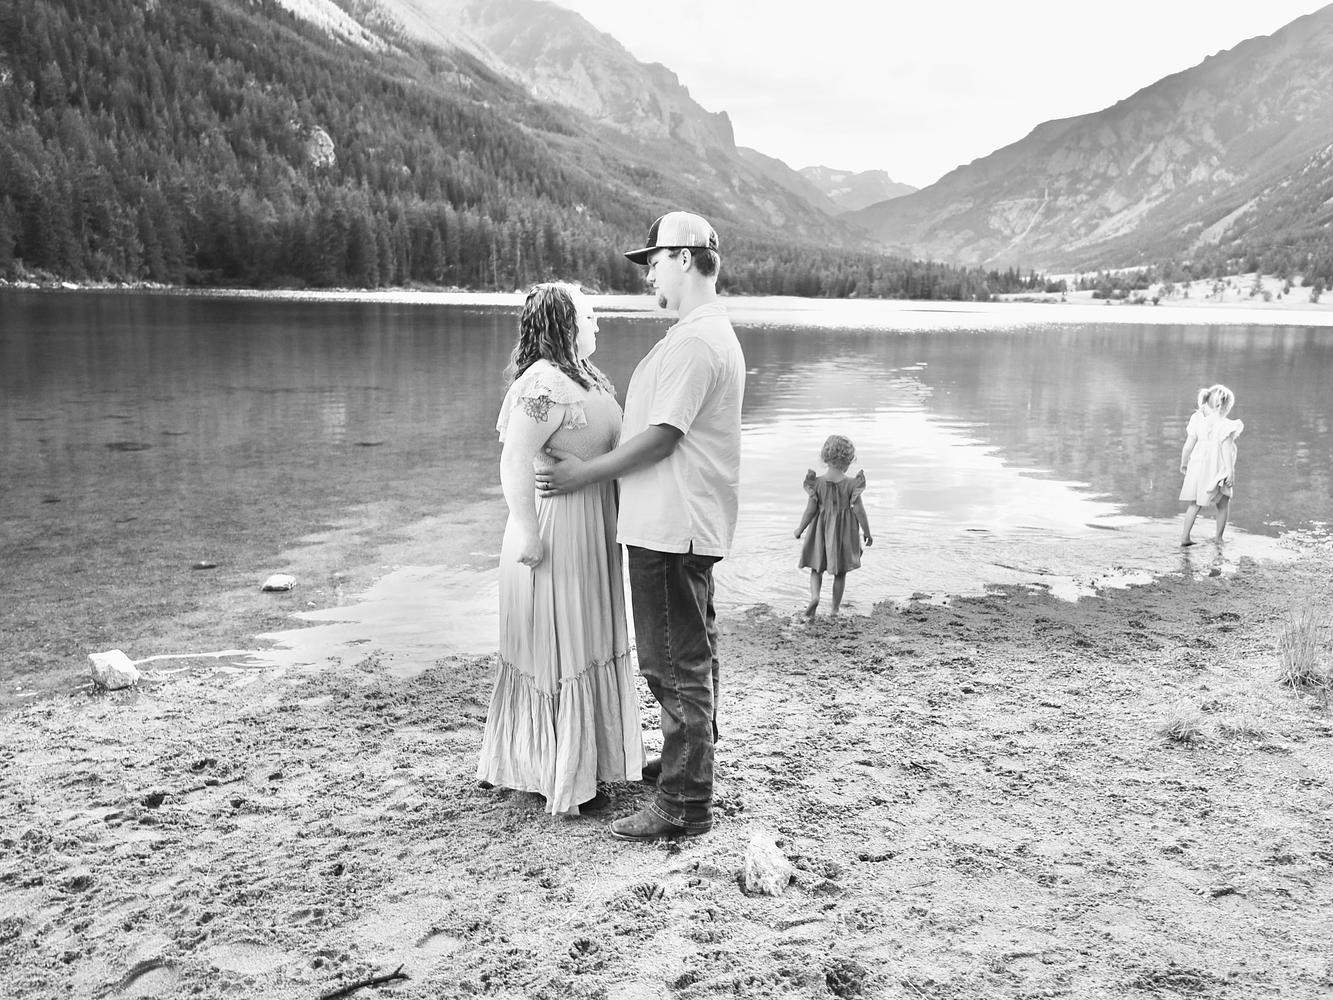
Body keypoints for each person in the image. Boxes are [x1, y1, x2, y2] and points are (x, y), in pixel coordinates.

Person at [537, 212, 745, 843]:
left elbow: (661, 437)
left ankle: (684, 802)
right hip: (680, 522)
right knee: (692, 653)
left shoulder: (695, 342)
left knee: (672, 663)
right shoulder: (699, 333)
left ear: (684, 259)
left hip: (670, 526)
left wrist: (583, 474)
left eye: (653, 261)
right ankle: (687, 763)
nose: (648, 273)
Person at [476, 282, 645, 816]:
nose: (597, 323)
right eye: (589, 315)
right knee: (561, 650)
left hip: (589, 529)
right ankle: (554, 770)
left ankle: (587, 763)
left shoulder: (585, 376)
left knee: (586, 640)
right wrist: (528, 531)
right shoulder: (544, 382)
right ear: (565, 323)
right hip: (554, 536)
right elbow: (513, 460)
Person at [794, 434, 873, 616]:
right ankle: (835, 609)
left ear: (825, 458)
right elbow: (859, 511)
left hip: (819, 531)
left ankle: (815, 598)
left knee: (816, 568)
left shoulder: (817, 483)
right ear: (848, 461)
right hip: (844, 533)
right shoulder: (852, 484)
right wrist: (867, 532)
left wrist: (800, 529)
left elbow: (810, 511)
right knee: (841, 572)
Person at [1178, 383, 1244, 546]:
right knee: (1223, 503)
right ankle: (1219, 538)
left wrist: (1184, 463)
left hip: (1198, 466)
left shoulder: (1197, 420)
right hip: (1217, 469)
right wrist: (1231, 473)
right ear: (1225, 405)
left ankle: (1185, 537)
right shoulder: (1226, 425)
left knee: (1194, 504)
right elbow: (1226, 451)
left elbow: (1188, 446)